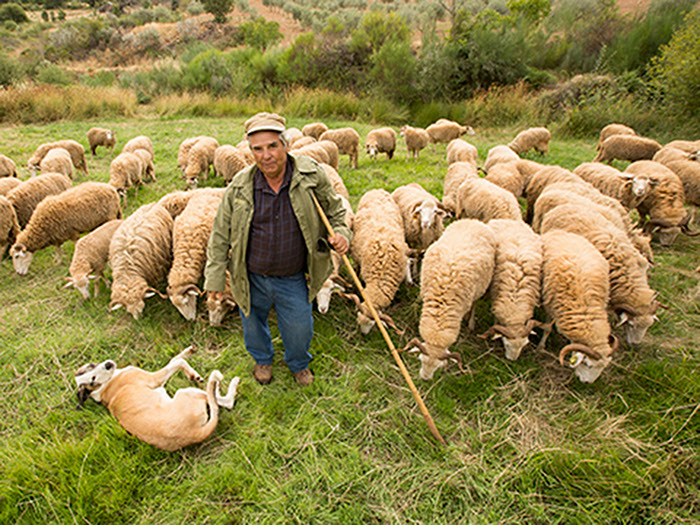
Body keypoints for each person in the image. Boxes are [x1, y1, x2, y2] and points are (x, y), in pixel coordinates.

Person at [204, 112, 352, 387]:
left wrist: (342, 233)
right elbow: (220, 234)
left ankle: (299, 363)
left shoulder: (310, 176)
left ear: (286, 144)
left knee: (299, 327)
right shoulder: (240, 186)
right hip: (251, 275)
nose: (266, 156)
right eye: (258, 149)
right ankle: (262, 360)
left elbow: (336, 212)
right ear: (251, 151)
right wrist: (214, 278)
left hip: (292, 276)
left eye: (272, 146)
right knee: (252, 324)